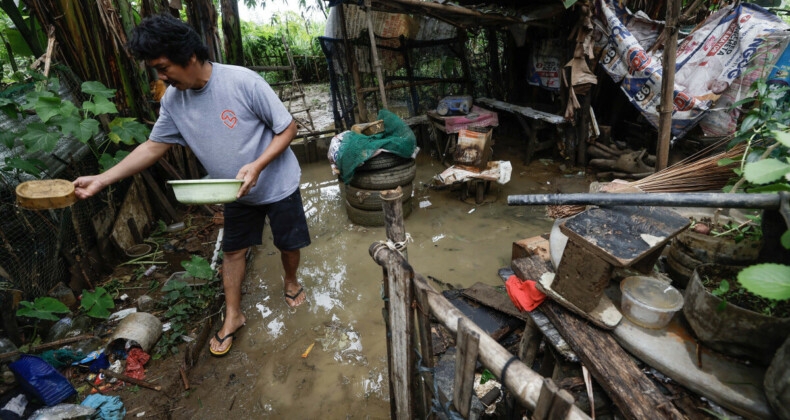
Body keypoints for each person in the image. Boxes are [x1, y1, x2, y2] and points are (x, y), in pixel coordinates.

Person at [72, 14, 310, 357]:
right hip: (234, 191)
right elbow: (154, 146)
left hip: (277, 183)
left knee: (289, 244)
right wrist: (102, 178)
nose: (161, 76)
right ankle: (233, 315)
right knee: (232, 251)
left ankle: (290, 281)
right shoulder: (172, 100)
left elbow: (288, 128)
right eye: (156, 69)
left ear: (190, 56)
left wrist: (258, 165)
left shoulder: (243, 82)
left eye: (163, 66)